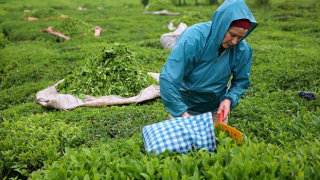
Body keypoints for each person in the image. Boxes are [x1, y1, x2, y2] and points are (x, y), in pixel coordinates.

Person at [159, 0, 257, 124]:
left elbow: (241, 82)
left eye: (240, 37)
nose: (234, 42)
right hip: (183, 105)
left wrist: (229, 100)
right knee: (186, 141)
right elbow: (168, 78)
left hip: (215, 109)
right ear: (222, 25)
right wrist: (182, 113)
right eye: (232, 35)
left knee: (217, 141)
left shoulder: (242, 49)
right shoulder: (193, 37)